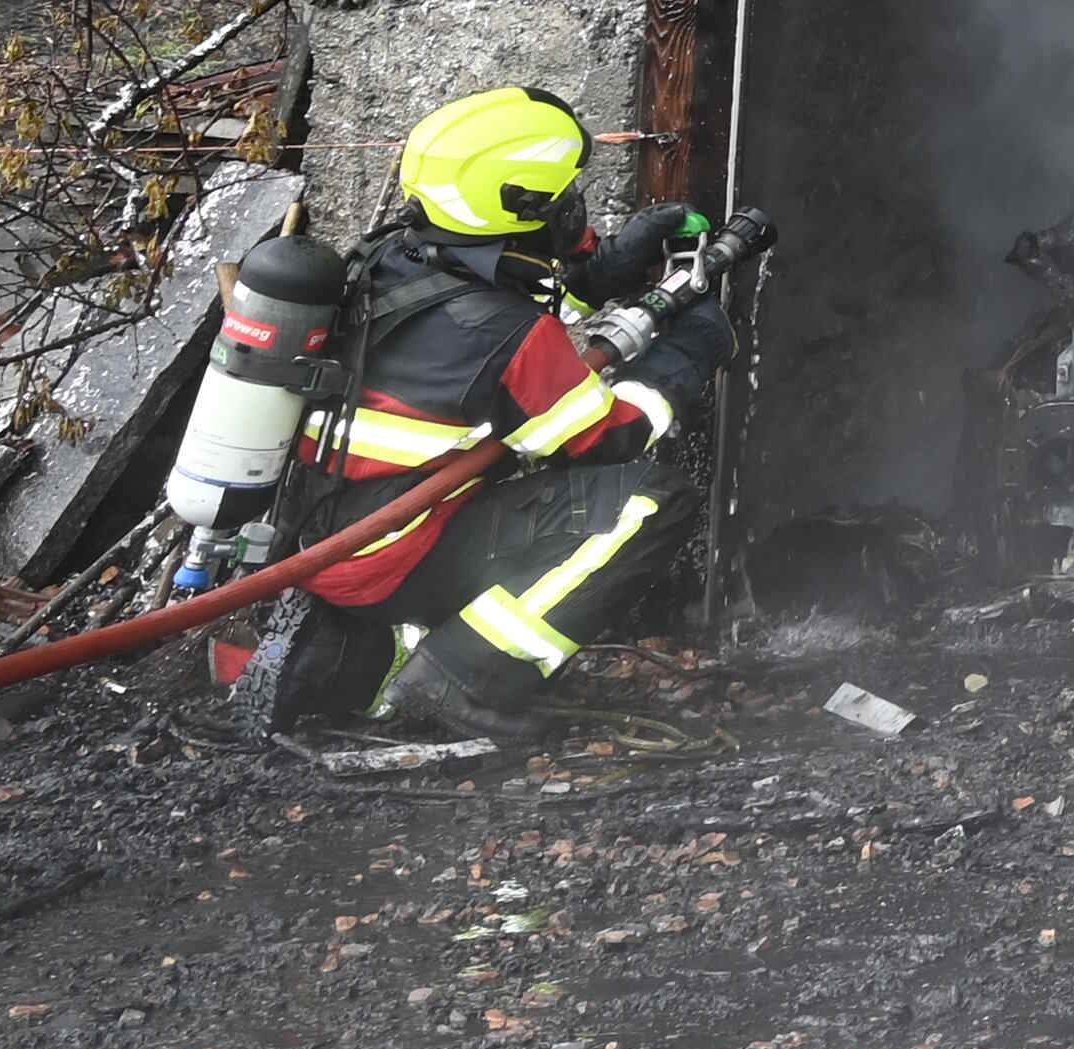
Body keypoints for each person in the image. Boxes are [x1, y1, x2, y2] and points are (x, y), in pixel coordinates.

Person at [276, 88, 738, 749]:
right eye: (560, 199)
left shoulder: (388, 256)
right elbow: (605, 440)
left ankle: (416, 653)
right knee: (653, 501)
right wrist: (682, 361)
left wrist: (609, 264)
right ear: (516, 206)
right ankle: (464, 677)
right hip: (390, 557)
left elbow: (507, 282)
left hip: (319, 543)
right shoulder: (510, 332)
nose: (573, 208)